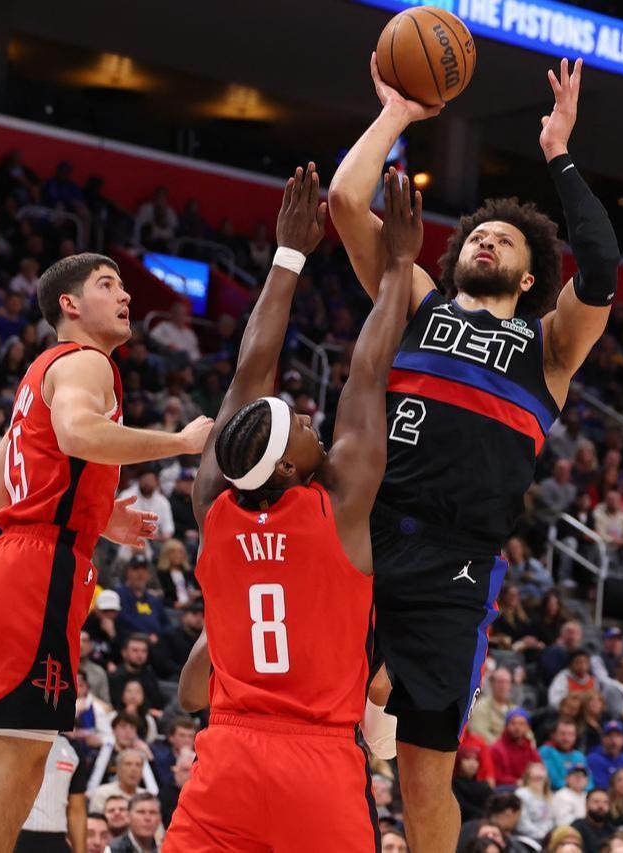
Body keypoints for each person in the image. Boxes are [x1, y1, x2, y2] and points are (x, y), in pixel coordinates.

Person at [331, 56, 618, 852]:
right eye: (479, 234)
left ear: (529, 278)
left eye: (505, 239)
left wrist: (558, 152)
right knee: (319, 722)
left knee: (425, 773)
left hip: (456, 563)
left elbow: (601, 267)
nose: (487, 239)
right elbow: (346, 203)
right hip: (366, 529)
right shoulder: (413, 298)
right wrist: (396, 114)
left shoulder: (549, 347)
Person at [0, 250, 212, 853]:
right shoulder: (88, 362)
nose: (126, 295)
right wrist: (180, 442)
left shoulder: (37, 376)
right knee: (21, 764)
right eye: (108, 284)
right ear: (69, 305)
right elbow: (79, 434)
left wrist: (96, 514)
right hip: (39, 570)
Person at [161, 164, 413, 852]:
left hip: (229, 760)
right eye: (298, 423)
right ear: (289, 467)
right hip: (318, 763)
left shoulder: (213, 505)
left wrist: (289, 256)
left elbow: (249, 371)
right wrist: (399, 266)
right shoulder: (340, 507)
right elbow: (367, 375)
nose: (309, 418)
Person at [13, 735, 87, 853]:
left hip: (56, 839)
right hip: (14, 837)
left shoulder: (72, 748)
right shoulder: (8, 740)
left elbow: (77, 812)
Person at [489, 709, 542, 787]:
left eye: (522, 724)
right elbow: (496, 776)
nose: (517, 727)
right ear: (506, 726)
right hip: (505, 790)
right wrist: (517, 782)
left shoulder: (530, 748)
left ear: (528, 728)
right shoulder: (496, 749)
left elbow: (539, 769)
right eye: (513, 723)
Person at [586, 720, 623, 791]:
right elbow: (601, 788)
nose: (614, 741)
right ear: (603, 739)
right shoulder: (594, 759)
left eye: (618, 736)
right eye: (610, 736)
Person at [469, 667, 518, 744]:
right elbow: (480, 733)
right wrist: (504, 748)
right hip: (492, 749)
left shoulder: (515, 709)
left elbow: (528, 735)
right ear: (492, 684)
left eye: (507, 682)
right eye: (500, 682)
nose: (503, 686)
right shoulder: (481, 707)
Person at [539, 720, 587, 791]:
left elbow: (589, 782)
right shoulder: (546, 751)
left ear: (576, 737)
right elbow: (554, 781)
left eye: (570, 734)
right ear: (554, 735)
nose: (566, 738)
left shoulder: (579, 756)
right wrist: (575, 787)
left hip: (580, 794)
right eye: (562, 734)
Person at [515, 762, 555, 842]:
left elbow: (551, 820)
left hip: (546, 837)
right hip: (527, 838)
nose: (539, 781)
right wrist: (541, 835)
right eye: (536, 778)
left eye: (541, 778)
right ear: (528, 778)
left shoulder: (549, 796)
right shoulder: (521, 794)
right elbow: (522, 823)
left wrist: (548, 834)